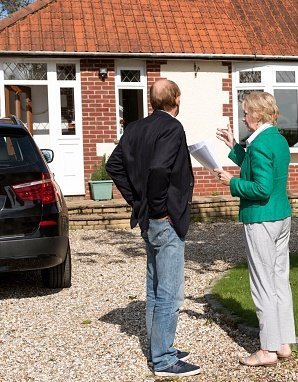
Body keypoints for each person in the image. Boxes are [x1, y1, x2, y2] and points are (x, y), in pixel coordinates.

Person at [106, 79, 201, 377]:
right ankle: (163, 359)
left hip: (148, 217)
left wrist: (138, 199)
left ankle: (159, 347)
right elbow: (159, 169)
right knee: (169, 292)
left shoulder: (134, 128)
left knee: (155, 286)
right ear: (176, 98)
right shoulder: (173, 128)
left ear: (152, 101)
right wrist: (159, 207)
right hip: (163, 218)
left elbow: (114, 166)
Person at [215, 91, 295, 367]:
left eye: (246, 112)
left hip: (261, 218)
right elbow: (259, 169)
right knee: (279, 280)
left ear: (258, 114)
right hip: (281, 216)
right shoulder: (277, 139)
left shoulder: (260, 144)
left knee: (262, 283)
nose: (244, 117)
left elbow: (260, 187)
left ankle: (268, 350)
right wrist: (234, 146)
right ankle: (283, 343)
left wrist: (231, 182)